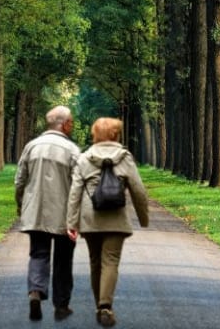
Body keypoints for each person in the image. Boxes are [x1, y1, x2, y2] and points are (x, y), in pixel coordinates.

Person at [66, 117, 149, 328]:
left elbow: (75, 192)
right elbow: (138, 190)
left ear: (95, 134)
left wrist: (71, 222)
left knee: (95, 262)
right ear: (116, 134)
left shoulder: (84, 158)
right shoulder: (125, 157)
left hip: (90, 218)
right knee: (110, 261)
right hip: (116, 218)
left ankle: (99, 306)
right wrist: (143, 218)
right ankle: (105, 306)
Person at [15, 105, 81, 321]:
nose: (71, 125)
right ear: (63, 124)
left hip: (37, 212)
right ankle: (61, 305)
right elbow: (80, 184)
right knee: (63, 260)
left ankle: (35, 291)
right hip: (64, 214)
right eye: (70, 121)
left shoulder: (31, 147)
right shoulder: (72, 150)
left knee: (38, 254)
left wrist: (20, 204)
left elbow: (20, 180)